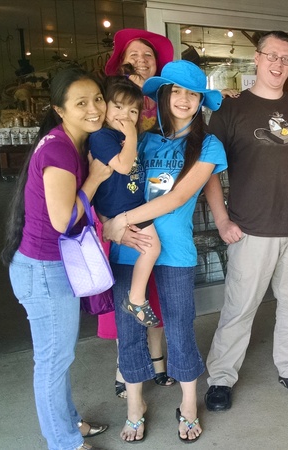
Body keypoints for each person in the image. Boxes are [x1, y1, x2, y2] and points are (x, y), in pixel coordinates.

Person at [103, 60, 225, 443]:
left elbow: (178, 197)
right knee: (130, 329)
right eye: (176, 91)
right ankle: (134, 405)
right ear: (164, 95)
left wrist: (119, 220)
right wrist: (115, 225)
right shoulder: (144, 139)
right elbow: (114, 183)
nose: (184, 99)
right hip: (130, 249)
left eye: (192, 93)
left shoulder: (208, 144)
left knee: (179, 326)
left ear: (200, 101)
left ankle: (189, 403)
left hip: (175, 252)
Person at [202, 30, 288, 411]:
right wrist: (221, 220)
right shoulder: (231, 109)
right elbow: (207, 169)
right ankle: (221, 376)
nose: (278, 64)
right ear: (256, 58)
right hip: (250, 228)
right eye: (272, 56)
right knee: (240, 307)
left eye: (286, 59)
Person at [1, 67, 112, 450]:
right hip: (44, 272)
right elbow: (63, 219)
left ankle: (67, 424)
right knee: (52, 361)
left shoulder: (74, 142)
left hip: (51, 267)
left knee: (59, 357)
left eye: (98, 99)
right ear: (59, 109)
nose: (94, 108)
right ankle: (63, 442)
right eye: (81, 103)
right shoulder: (59, 149)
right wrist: (95, 178)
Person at [101, 28, 176, 397]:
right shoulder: (108, 108)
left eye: (149, 55)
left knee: (155, 293)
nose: (143, 60)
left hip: (158, 209)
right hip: (119, 212)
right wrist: (107, 223)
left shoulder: (164, 103)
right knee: (127, 294)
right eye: (135, 54)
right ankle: (126, 367)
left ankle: (159, 362)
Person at [89, 75, 161, 327]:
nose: (125, 115)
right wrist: (131, 135)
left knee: (150, 248)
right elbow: (123, 166)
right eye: (118, 106)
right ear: (104, 106)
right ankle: (136, 298)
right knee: (152, 248)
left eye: (132, 110)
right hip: (120, 208)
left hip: (130, 206)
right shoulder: (102, 137)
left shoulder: (121, 137)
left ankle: (136, 297)